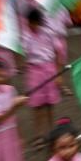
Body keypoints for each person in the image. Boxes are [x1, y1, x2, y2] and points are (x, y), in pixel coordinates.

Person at [22, 8, 63, 150]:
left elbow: (58, 52)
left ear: (40, 22)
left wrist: (58, 74)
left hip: (49, 68)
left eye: (35, 23)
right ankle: (38, 135)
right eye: (30, 23)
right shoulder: (25, 36)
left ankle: (52, 132)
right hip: (34, 70)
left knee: (50, 103)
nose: (32, 26)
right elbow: (25, 53)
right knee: (37, 105)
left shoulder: (49, 33)